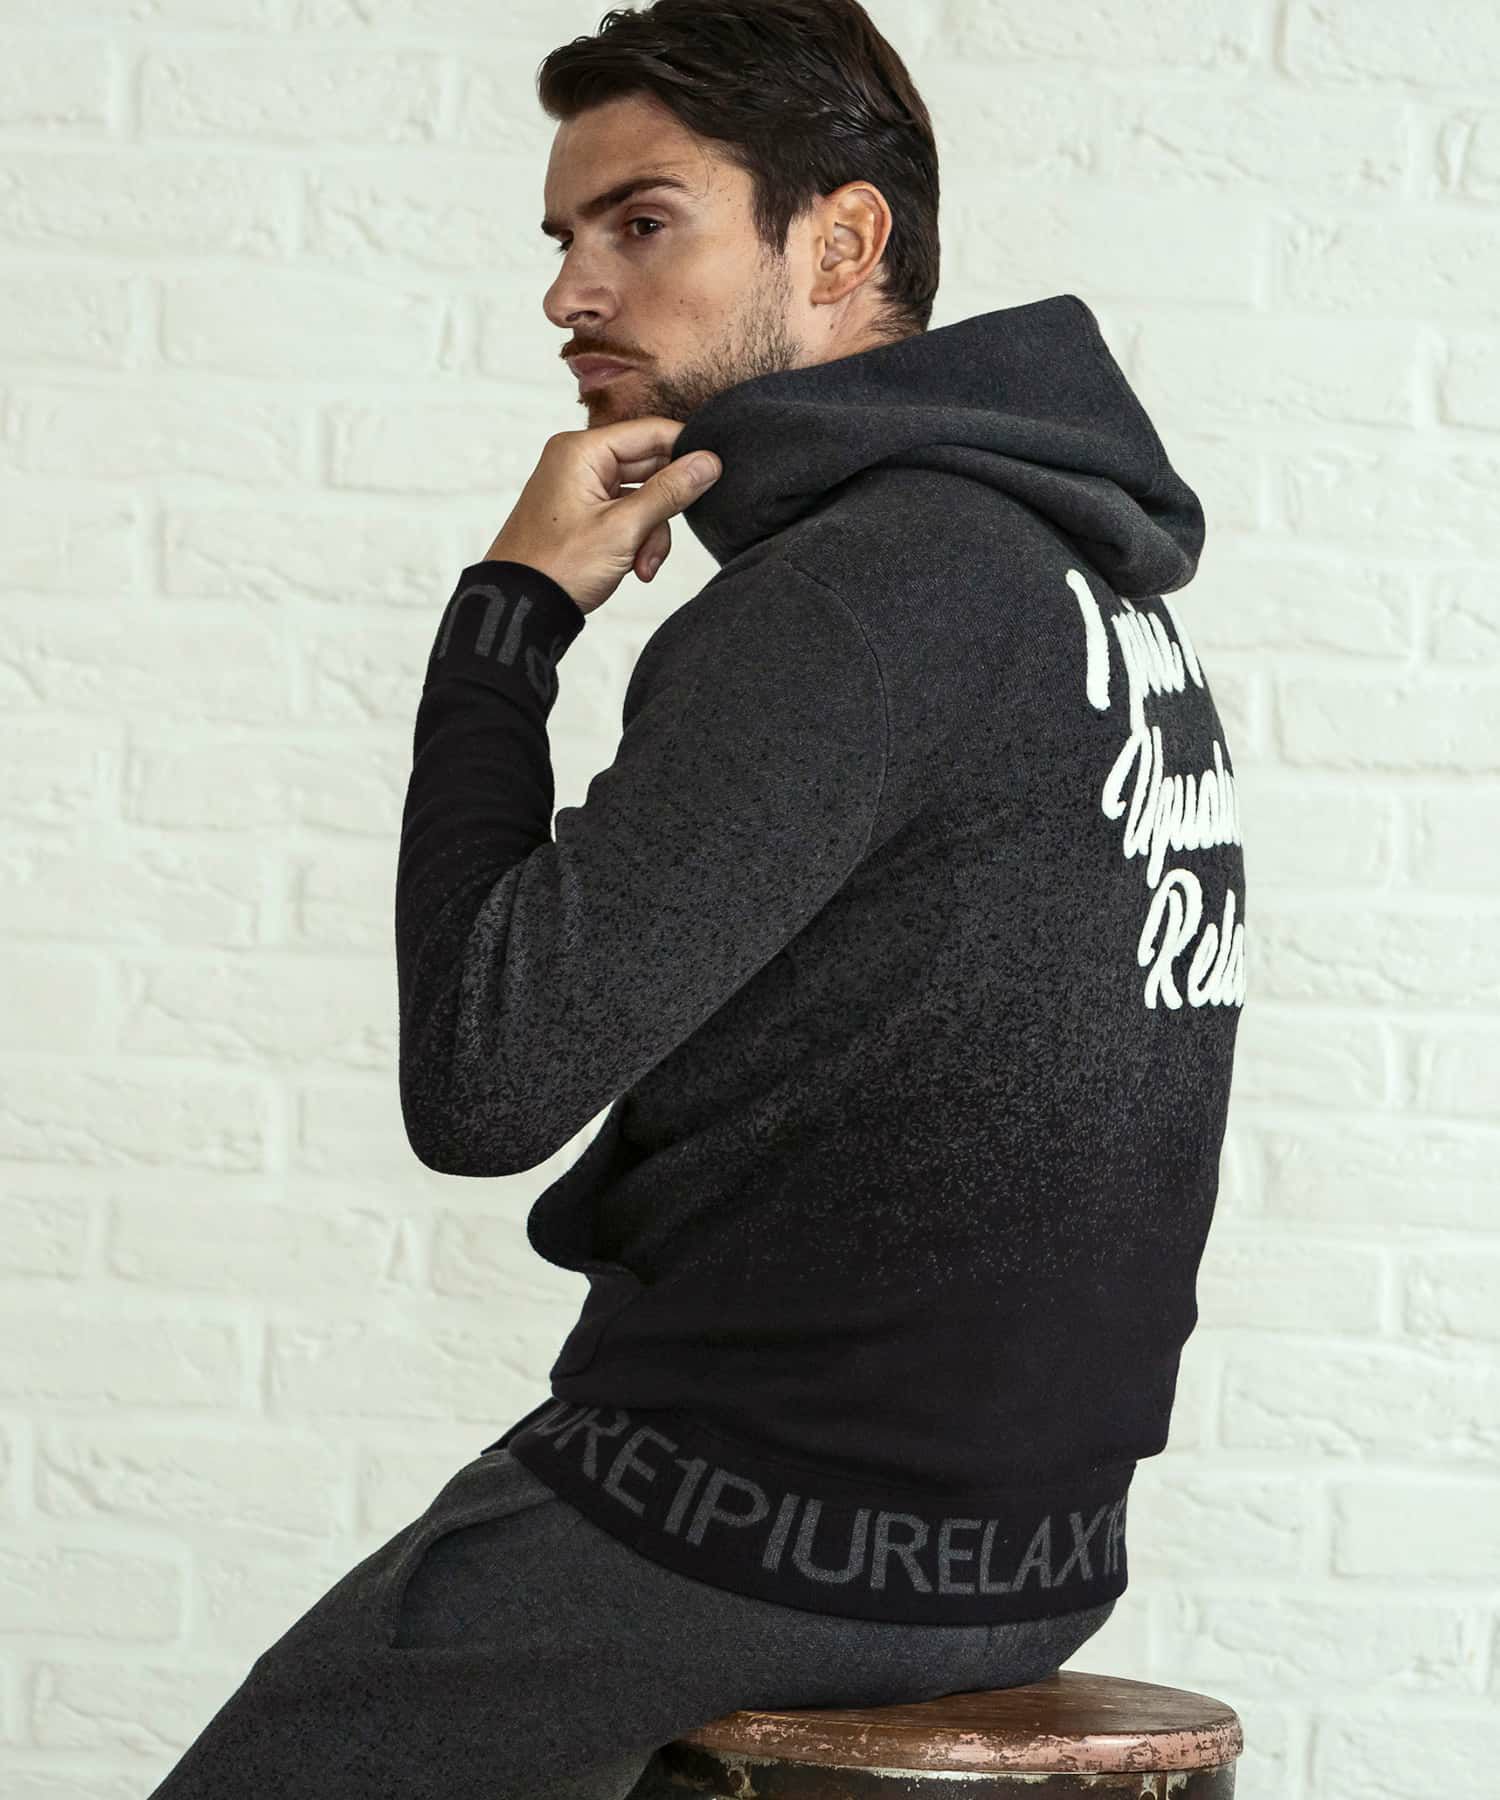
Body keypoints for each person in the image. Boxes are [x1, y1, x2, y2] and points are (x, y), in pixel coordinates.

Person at [147, 2, 1244, 1796]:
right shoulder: (1071, 580)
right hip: (1028, 1551)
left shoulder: (853, 597)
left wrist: (507, 618)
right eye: (565, 238)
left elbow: (484, 1085)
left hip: (748, 1533)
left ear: (842, 240)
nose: (570, 293)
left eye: (642, 224)